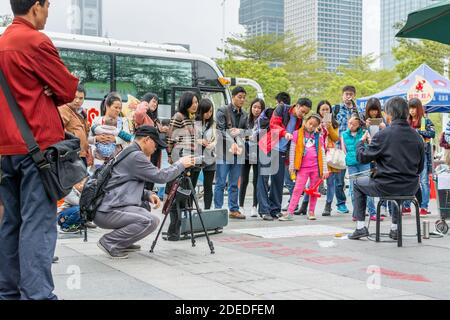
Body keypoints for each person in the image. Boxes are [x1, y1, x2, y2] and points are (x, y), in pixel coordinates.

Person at [0, 0, 79, 300]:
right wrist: (48, 88)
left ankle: (7, 292)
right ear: (36, 6)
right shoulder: (35, 41)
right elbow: (68, 89)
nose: (48, 12)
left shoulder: (2, 42)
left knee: (11, 223)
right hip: (37, 149)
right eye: (47, 6)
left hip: (7, 149)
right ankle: (38, 295)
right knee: (37, 225)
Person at [95, 126, 195, 259]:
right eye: (155, 144)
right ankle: (110, 242)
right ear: (147, 139)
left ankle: (123, 241)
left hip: (107, 208)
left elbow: (124, 183)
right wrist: (181, 164)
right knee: (150, 221)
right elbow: (160, 176)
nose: (156, 149)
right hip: (107, 211)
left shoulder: (129, 151)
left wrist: (147, 194)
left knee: (145, 212)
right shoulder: (136, 155)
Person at [348, 97, 425, 240]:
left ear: (389, 114)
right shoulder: (417, 136)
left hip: (386, 186)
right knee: (398, 189)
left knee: (357, 184)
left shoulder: (382, 135)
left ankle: (360, 227)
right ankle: (395, 228)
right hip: (410, 187)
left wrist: (361, 142)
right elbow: (420, 168)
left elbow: (362, 157)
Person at [258, 95, 312, 221]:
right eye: (302, 111)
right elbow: (273, 124)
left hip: (282, 151)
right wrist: (285, 133)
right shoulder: (281, 108)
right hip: (268, 147)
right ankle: (264, 210)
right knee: (264, 179)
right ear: (297, 106)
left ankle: (275, 209)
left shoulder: (299, 121)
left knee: (278, 181)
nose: (302, 114)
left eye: (306, 113)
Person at [281, 114, 329, 221]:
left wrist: (325, 169)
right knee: (297, 189)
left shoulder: (318, 136)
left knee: (313, 190)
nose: (311, 126)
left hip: (316, 167)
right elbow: (293, 150)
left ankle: (311, 211)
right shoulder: (297, 134)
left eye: (314, 125)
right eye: (310, 123)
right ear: (305, 122)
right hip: (302, 168)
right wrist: (292, 165)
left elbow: (322, 152)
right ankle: (290, 212)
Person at [166, 91, 199, 240]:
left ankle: (178, 229)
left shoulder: (190, 119)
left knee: (184, 195)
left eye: (197, 102)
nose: (195, 105)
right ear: (186, 102)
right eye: (193, 102)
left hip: (189, 160)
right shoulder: (178, 117)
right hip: (179, 160)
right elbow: (170, 139)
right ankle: (174, 231)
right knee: (176, 195)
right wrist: (172, 159)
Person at [214, 87, 248, 220]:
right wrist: (231, 142)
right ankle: (218, 210)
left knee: (234, 183)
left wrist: (239, 131)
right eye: (240, 97)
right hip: (224, 152)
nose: (242, 99)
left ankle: (234, 209)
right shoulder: (223, 110)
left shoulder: (244, 114)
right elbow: (220, 131)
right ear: (233, 97)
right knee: (221, 183)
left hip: (238, 153)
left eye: (244, 97)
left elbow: (248, 131)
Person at [301, 101, 340, 217]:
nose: (325, 112)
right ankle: (304, 205)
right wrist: (316, 128)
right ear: (318, 110)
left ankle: (328, 206)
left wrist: (329, 128)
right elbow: (307, 135)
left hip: (329, 156)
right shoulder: (313, 122)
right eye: (322, 109)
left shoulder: (334, 123)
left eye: (327, 109)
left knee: (330, 181)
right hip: (315, 155)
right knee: (312, 181)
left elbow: (336, 138)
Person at [341, 115, 378, 222]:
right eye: (349, 123)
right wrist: (348, 158)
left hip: (364, 162)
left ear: (358, 125)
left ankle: (372, 212)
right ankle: (356, 213)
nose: (351, 126)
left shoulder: (363, 133)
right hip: (352, 164)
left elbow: (370, 144)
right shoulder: (344, 134)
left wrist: (367, 136)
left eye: (353, 124)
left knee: (368, 187)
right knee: (353, 189)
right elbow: (344, 150)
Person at [403, 98, 435, 216]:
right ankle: (406, 206)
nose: (411, 111)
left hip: (422, 154)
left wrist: (418, 132)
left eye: (414, 108)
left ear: (419, 108)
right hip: (408, 155)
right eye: (410, 108)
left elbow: (432, 133)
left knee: (424, 181)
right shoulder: (406, 121)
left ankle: (424, 207)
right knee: (408, 180)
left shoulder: (425, 121)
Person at [333, 85, 359, 215]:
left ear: (354, 96)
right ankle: (341, 203)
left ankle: (358, 204)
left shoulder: (358, 110)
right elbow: (325, 124)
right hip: (339, 148)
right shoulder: (335, 109)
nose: (348, 96)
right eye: (346, 94)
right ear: (342, 95)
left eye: (351, 94)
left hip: (355, 149)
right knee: (339, 180)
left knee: (357, 179)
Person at [89, 93, 132, 168]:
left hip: (118, 160)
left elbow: (129, 139)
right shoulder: (97, 120)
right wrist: (96, 139)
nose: (118, 110)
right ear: (107, 106)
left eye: (119, 108)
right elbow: (88, 139)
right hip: (99, 159)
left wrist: (114, 139)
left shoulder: (123, 121)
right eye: (116, 107)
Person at [239, 98, 265, 217]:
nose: (256, 110)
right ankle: (241, 206)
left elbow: (263, 137)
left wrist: (251, 137)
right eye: (254, 107)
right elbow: (240, 134)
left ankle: (255, 206)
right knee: (244, 180)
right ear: (251, 108)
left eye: (259, 108)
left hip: (258, 153)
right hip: (246, 153)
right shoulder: (245, 119)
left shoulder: (264, 121)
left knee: (256, 181)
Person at [191, 98, 217, 210]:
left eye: (211, 111)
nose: (209, 114)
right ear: (201, 111)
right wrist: (199, 141)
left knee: (208, 186)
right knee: (192, 184)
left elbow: (216, 138)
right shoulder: (194, 122)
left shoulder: (213, 124)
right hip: (196, 157)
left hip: (210, 157)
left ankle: (207, 211)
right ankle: (189, 210)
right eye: (206, 111)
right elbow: (190, 138)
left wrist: (212, 144)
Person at [58, 84, 92, 167]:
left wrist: (87, 150)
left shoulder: (82, 112)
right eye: (75, 97)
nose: (77, 101)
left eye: (81, 98)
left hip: (81, 154)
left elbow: (86, 133)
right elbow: (59, 132)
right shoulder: (63, 110)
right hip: (71, 156)